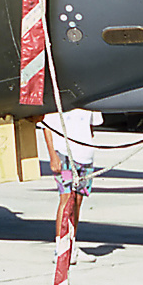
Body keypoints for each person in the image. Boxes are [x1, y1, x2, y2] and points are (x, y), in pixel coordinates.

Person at [43, 108, 101, 262]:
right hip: (65, 155)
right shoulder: (60, 98)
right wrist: (53, 156)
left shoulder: (91, 101)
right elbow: (47, 127)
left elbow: (91, 127)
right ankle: (60, 247)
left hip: (85, 157)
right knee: (66, 198)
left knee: (78, 201)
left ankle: (71, 244)